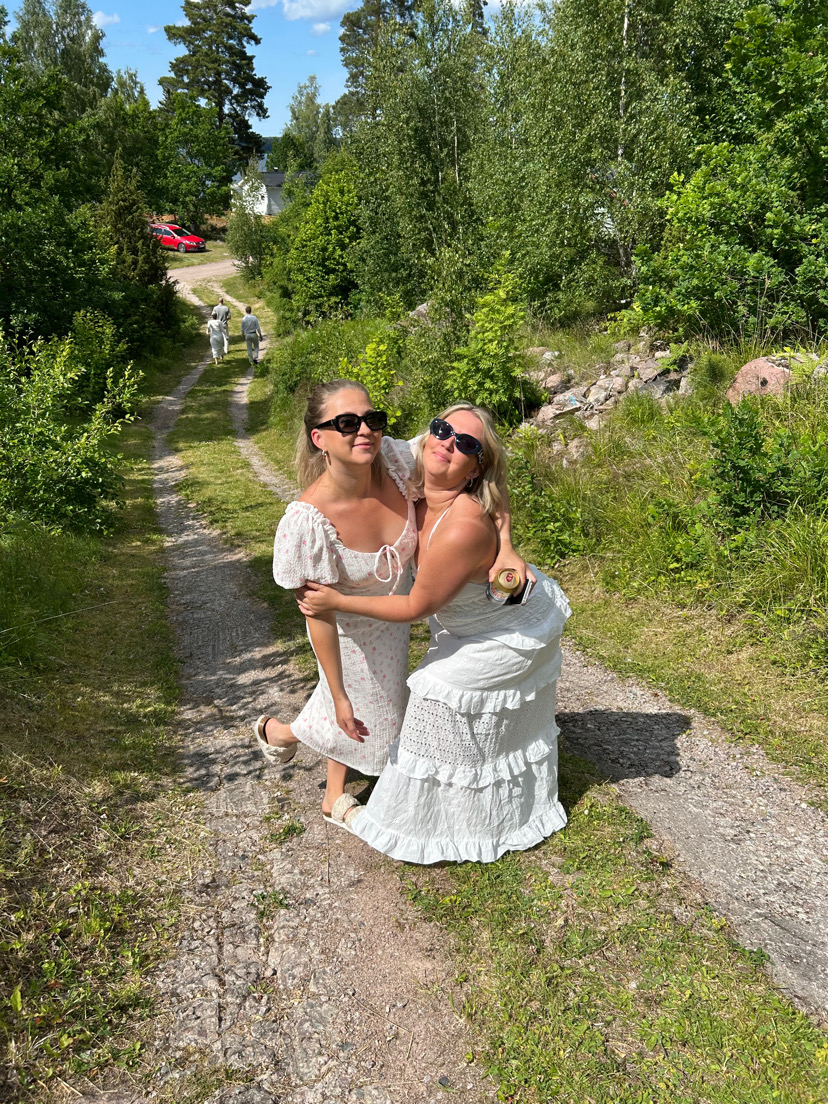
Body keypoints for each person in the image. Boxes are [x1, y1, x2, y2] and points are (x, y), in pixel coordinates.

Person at [298, 403, 570, 861]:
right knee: (405, 696)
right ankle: (290, 734)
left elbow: (416, 606)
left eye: (466, 444)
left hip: (507, 631)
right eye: (442, 429)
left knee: (434, 700)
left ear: (474, 469)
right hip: (469, 624)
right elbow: (497, 493)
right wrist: (506, 544)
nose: (448, 442)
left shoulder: (460, 524)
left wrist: (337, 600)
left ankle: (430, 819)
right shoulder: (412, 479)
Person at [256, 382, 525, 827]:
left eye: (372, 419)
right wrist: (338, 690)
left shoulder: (400, 462)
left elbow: (483, 472)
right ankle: (319, 780)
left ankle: (288, 744)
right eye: (347, 422)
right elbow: (318, 616)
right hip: (350, 635)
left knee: (359, 715)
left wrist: (508, 545)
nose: (364, 430)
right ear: (319, 438)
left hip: (396, 623)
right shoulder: (306, 523)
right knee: (360, 717)